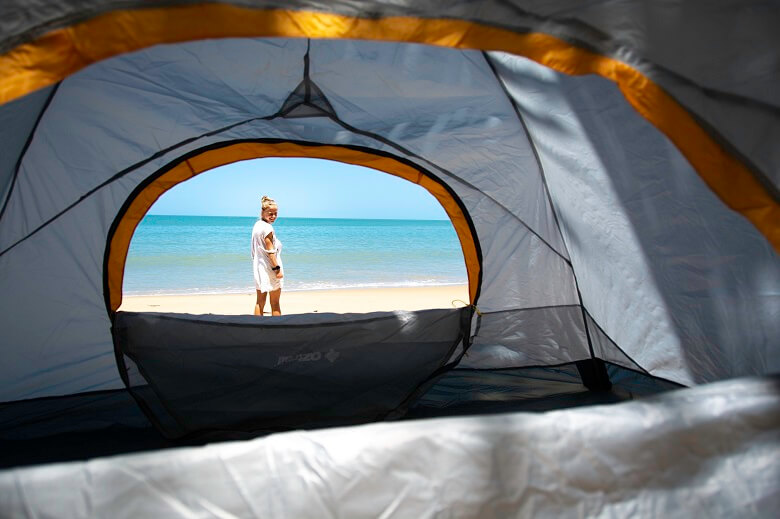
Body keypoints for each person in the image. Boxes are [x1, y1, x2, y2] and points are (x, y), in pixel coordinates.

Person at [251, 196, 283, 316]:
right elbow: (270, 251)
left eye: (275, 213)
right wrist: (277, 269)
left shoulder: (257, 225)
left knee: (260, 302)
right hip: (270, 268)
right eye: (270, 213)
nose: (273, 216)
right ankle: (276, 329)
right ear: (262, 212)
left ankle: (256, 328)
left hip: (259, 268)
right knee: (275, 303)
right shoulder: (267, 228)